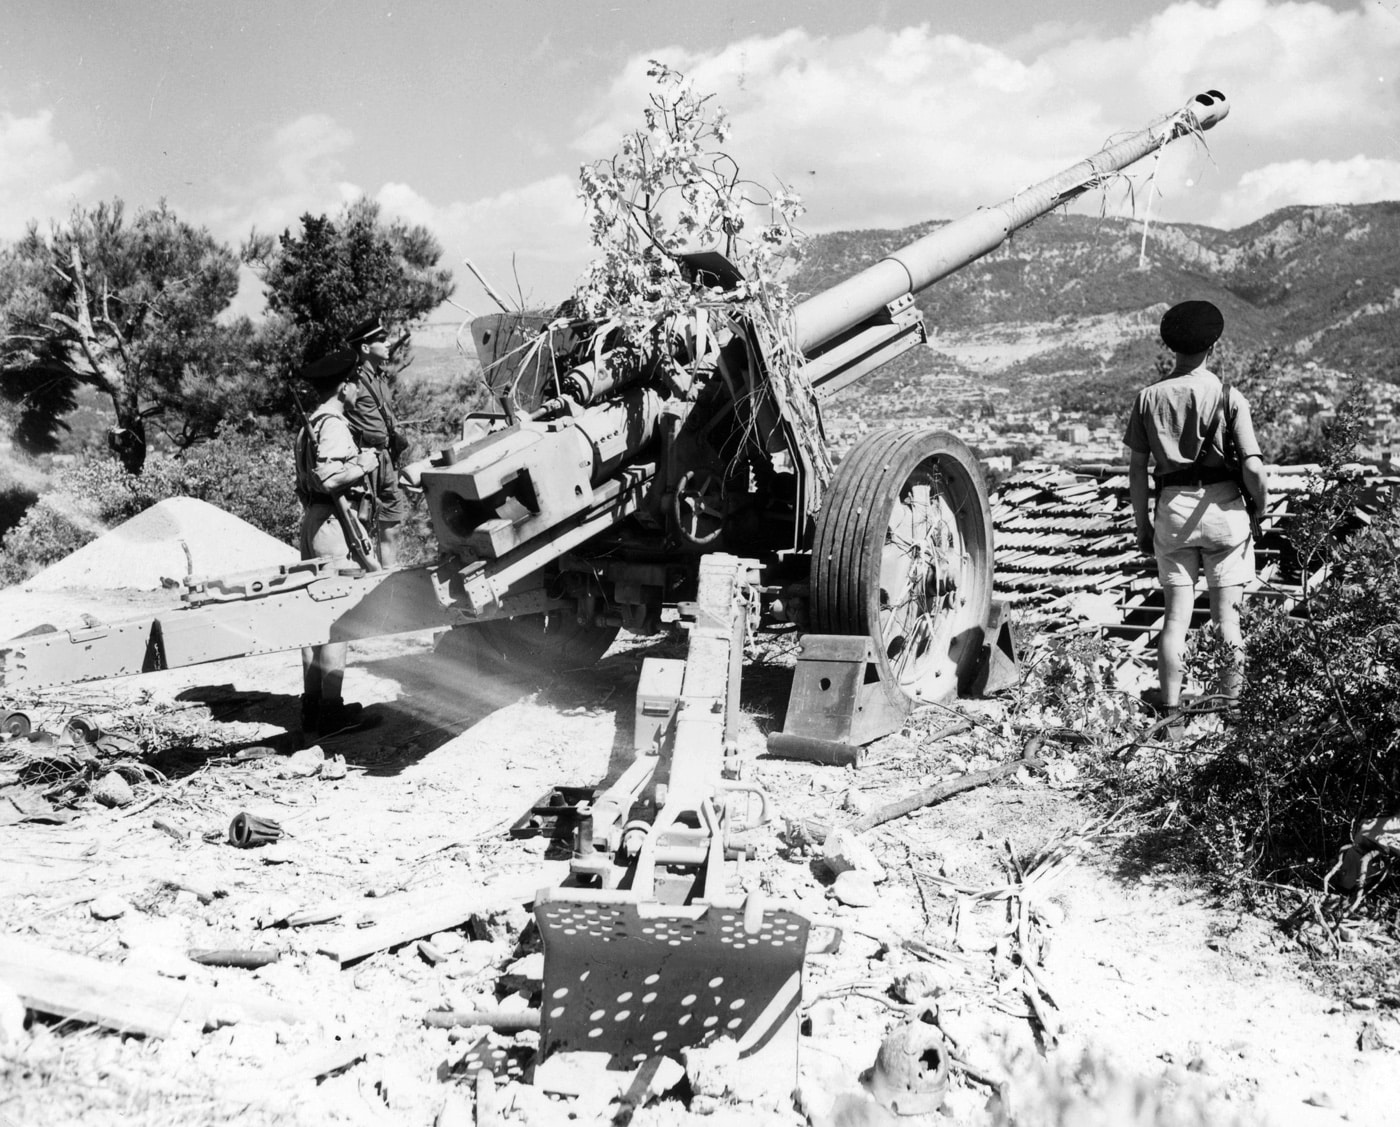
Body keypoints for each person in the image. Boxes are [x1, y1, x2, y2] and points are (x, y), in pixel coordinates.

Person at [1123, 300, 1269, 721]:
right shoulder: (1229, 396)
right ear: (1214, 345)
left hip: (1173, 511)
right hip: (1224, 512)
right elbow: (1254, 468)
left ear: (1171, 346)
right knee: (1228, 622)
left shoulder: (1148, 399)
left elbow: (1136, 471)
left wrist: (1143, 525)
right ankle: (1232, 713)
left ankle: (1170, 714)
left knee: (1175, 620)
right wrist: (1260, 504)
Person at [293, 349, 381, 736]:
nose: (358, 388)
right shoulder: (332, 425)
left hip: (315, 519)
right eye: (355, 381)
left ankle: (313, 705)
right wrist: (366, 462)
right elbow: (329, 478)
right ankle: (331, 712)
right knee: (338, 620)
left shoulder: (310, 424)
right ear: (344, 385)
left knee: (313, 619)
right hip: (333, 522)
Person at [344, 316, 411, 566]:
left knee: (391, 518)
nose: (388, 343)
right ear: (364, 348)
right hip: (365, 458)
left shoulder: (380, 377)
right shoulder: (353, 380)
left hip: (385, 458)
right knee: (362, 521)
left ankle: (389, 573)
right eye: (381, 340)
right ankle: (367, 575)